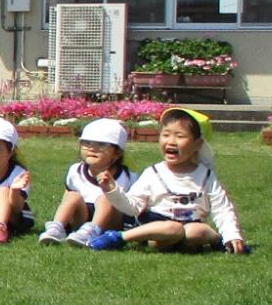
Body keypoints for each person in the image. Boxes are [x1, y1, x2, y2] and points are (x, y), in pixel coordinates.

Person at [91, 106, 248, 253]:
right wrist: (111, 189)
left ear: (197, 144)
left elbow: (222, 209)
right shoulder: (153, 173)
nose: (171, 141)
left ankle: (225, 243)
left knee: (196, 231)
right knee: (172, 229)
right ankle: (119, 237)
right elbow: (133, 207)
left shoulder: (206, 175)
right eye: (166, 135)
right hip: (157, 226)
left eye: (180, 136)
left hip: (191, 225)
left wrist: (232, 235)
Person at [39, 118, 134, 246]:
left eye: (101, 144)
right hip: (81, 220)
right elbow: (66, 198)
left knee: (105, 198)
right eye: (87, 143)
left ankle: (91, 231)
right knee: (72, 195)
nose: (92, 148)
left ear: (117, 153)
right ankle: (56, 228)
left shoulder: (127, 177)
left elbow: (131, 209)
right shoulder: (75, 171)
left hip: (111, 223)